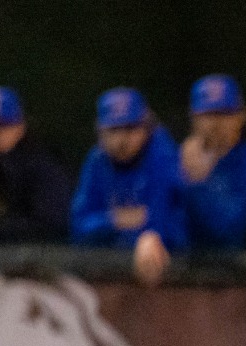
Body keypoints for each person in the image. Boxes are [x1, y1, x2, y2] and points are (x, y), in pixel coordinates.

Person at [70, 88, 184, 286]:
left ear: (146, 127)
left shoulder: (163, 155)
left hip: (177, 280)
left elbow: (172, 225)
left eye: (131, 128)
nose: (122, 139)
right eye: (114, 129)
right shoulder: (97, 161)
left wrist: (150, 235)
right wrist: (114, 219)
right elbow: (78, 225)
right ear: (100, 131)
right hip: (109, 280)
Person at [180, 74, 246, 250]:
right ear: (193, 118)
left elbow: (232, 232)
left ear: (241, 116)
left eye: (224, 114)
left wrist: (197, 184)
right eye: (207, 115)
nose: (215, 123)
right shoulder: (179, 157)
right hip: (186, 269)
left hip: (238, 270)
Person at [0, 88, 72, 243]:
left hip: (41, 258)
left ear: (20, 126)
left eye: (3, 127)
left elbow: (52, 224)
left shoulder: (42, 163)